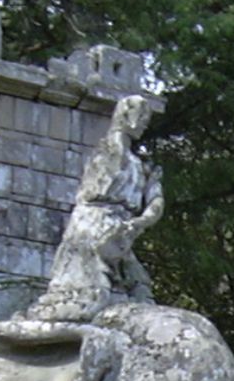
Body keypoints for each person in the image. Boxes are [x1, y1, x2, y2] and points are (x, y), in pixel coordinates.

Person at [29, 94, 163, 322]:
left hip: (120, 231)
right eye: (140, 117)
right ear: (125, 115)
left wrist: (141, 216)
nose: (144, 123)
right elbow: (95, 193)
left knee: (141, 289)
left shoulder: (137, 164)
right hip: (93, 228)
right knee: (90, 296)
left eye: (146, 118)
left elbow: (154, 206)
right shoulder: (109, 152)